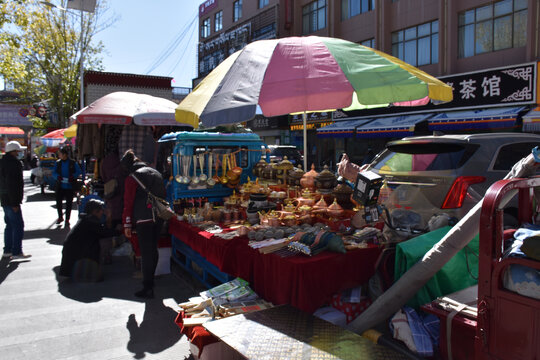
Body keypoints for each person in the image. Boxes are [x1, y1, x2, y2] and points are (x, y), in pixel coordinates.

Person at [121, 149, 166, 299]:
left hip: (143, 219)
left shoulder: (132, 178)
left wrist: (127, 224)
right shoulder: (155, 173)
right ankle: (151, 281)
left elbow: (128, 204)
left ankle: (148, 287)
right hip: (159, 217)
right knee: (153, 249)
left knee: (146, 253)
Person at [59, 199, 119, 280]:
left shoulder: (86, 220)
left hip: (72, 261)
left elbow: (103, 231)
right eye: (101, 210)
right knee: (99, 244)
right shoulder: (90, 222)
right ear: (95, 211)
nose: (103, 212)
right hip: (76, 259)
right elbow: (106, 233)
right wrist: (110, 219)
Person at [0, 141, 30, 259]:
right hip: (12, 199)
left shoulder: (2, 162)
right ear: (13, 151)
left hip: (4, 198)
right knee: (17, 225)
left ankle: (8, 250)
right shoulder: (14, 164)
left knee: (9, 225)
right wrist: (15, 202)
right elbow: (12, 184)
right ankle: (16, 251)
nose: (19, 153)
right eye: (18, 151)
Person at [53, 147, 82, 227]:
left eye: (60, 154)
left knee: (69, 204)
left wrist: (73, 176)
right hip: (60, 186)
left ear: (65, 155)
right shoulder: (58, 163)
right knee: (58, 202)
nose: (59, 155)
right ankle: (60, 217)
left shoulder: (73, 163)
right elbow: (54, 173)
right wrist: (58, 177)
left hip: (70, 186)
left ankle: (67, 219)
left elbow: (78, 171)